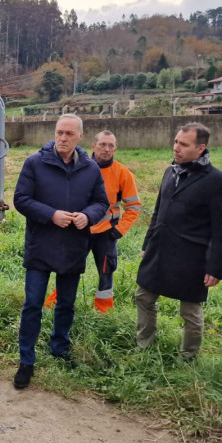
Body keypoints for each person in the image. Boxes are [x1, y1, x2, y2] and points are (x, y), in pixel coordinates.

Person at [12, 114, 109, 389]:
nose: (63, 138)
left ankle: (59, 348)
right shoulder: (35, 163)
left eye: (69, 134)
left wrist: (87, 217)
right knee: (33, 304)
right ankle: (26, 361)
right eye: (59, 132)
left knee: (66, 304)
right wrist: (51, 214)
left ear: (80, 137)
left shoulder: (90, 168)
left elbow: (101, 202)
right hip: (41, 245)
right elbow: (21, 199)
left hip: (73, 246)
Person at [134, 123, 222, 361]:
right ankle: (143, 345)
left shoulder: (218, 181)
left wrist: (216, 267)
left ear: (200, 148)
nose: (176, 147)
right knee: (143, 297)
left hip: (192, 257)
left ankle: (188, 356)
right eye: (176, 141)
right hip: (160, 249)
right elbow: (158, 212)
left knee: (190, 310)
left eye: (183, 144)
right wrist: (148, 244)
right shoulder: (171, 171)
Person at [89, 130, 142, 313]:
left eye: (111, 145)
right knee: (66, 268)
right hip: (78, 230)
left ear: (115, 149)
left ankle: (104, 312)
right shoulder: (80, 168)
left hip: (106, 233)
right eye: (102, 144)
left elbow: (134, 206)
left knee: (106, 272)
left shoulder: (122, 173)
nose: (106, 149)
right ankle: (54, 305)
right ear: (93, 146)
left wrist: (118, 231)